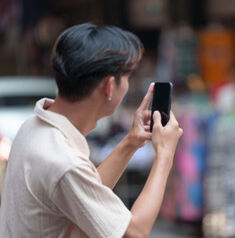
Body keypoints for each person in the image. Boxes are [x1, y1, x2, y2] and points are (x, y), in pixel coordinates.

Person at [0, 22, 183, 237]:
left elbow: (84, 192)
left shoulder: (33, 127)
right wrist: (166, 154)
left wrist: (131, 142)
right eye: (126, 77)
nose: (126, 85)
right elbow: (135, 231)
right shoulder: (63, 161)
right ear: (108, 86)